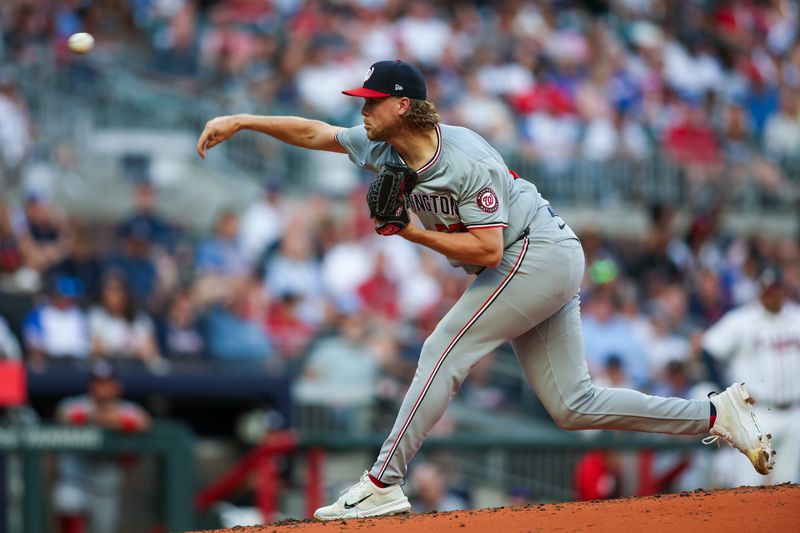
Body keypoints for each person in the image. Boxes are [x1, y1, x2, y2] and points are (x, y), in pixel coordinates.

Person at [197, 59, 774, 520]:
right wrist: (245, 120)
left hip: (534, 251)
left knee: (442, 348)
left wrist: (410, 234)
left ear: (403, 105)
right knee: (573, 405)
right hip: (529, 258)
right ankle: (713, 415)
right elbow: (318, 132)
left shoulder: (463, 159)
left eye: (371, 102)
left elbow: (488, 251)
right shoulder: (383, 144)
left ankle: (382, 482)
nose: (362, 111)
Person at [702, 266, 800, 486]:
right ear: (760, 292)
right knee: (748, 486)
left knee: (788, 486)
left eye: (777, 290)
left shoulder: (796, 316)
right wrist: (727, 392)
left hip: (794, 411)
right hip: (757, 414)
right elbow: (708, 351)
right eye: (768, 290)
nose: (773, 295)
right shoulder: (742, 320)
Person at [53, 360, 151, 533]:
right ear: (91, 385)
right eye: (98, 383)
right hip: (76, 482)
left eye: (107, 383)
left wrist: (110, 419)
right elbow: (63, 415)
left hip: (106, 489)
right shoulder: (76, 404)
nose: (102, 388)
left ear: (117, 386)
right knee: (66, 501)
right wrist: (106, 419)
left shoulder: (128, 408)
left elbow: (144, 422)